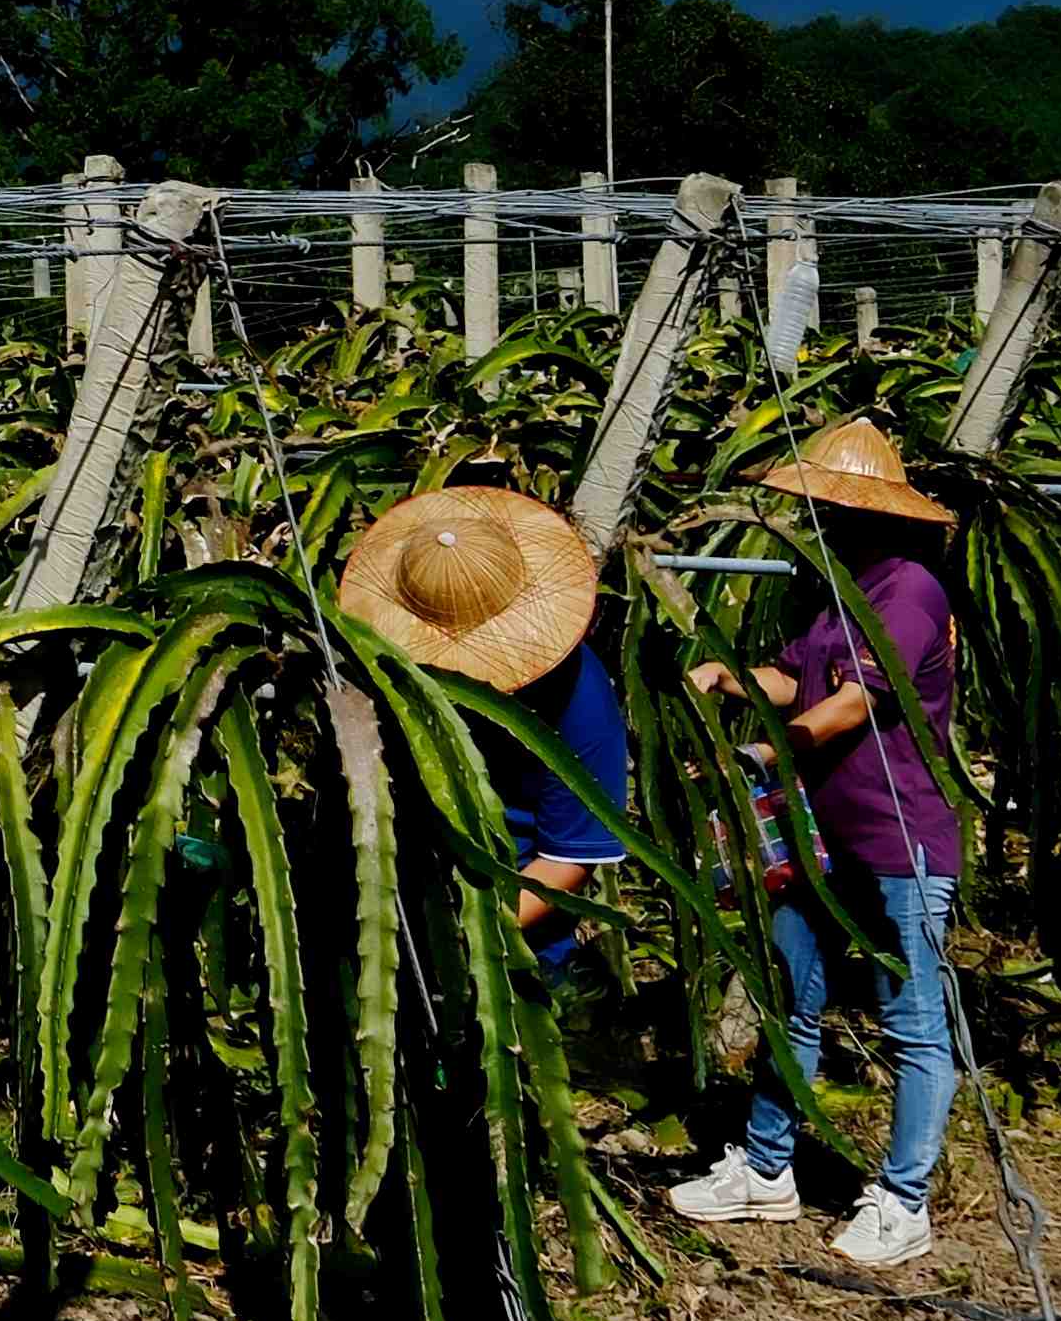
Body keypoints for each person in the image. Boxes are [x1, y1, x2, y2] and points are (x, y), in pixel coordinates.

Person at [670, 414, 969, 1272]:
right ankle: (767, 1168)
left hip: (899, 838)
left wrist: (757, 753)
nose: (816, 520)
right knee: (790, 996)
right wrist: (728, 676)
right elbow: (796, 679)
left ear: (873, 513)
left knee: (912, 1022)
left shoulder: (909, 590)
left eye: (826, 506)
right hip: (821, 838)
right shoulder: (842, 591)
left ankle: (903, 1199)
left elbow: (850, 707)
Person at [336, 483, 632, 936]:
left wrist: (465, 938)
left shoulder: (580, 697)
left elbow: (568, 860)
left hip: (509, 935)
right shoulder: (384, 672)